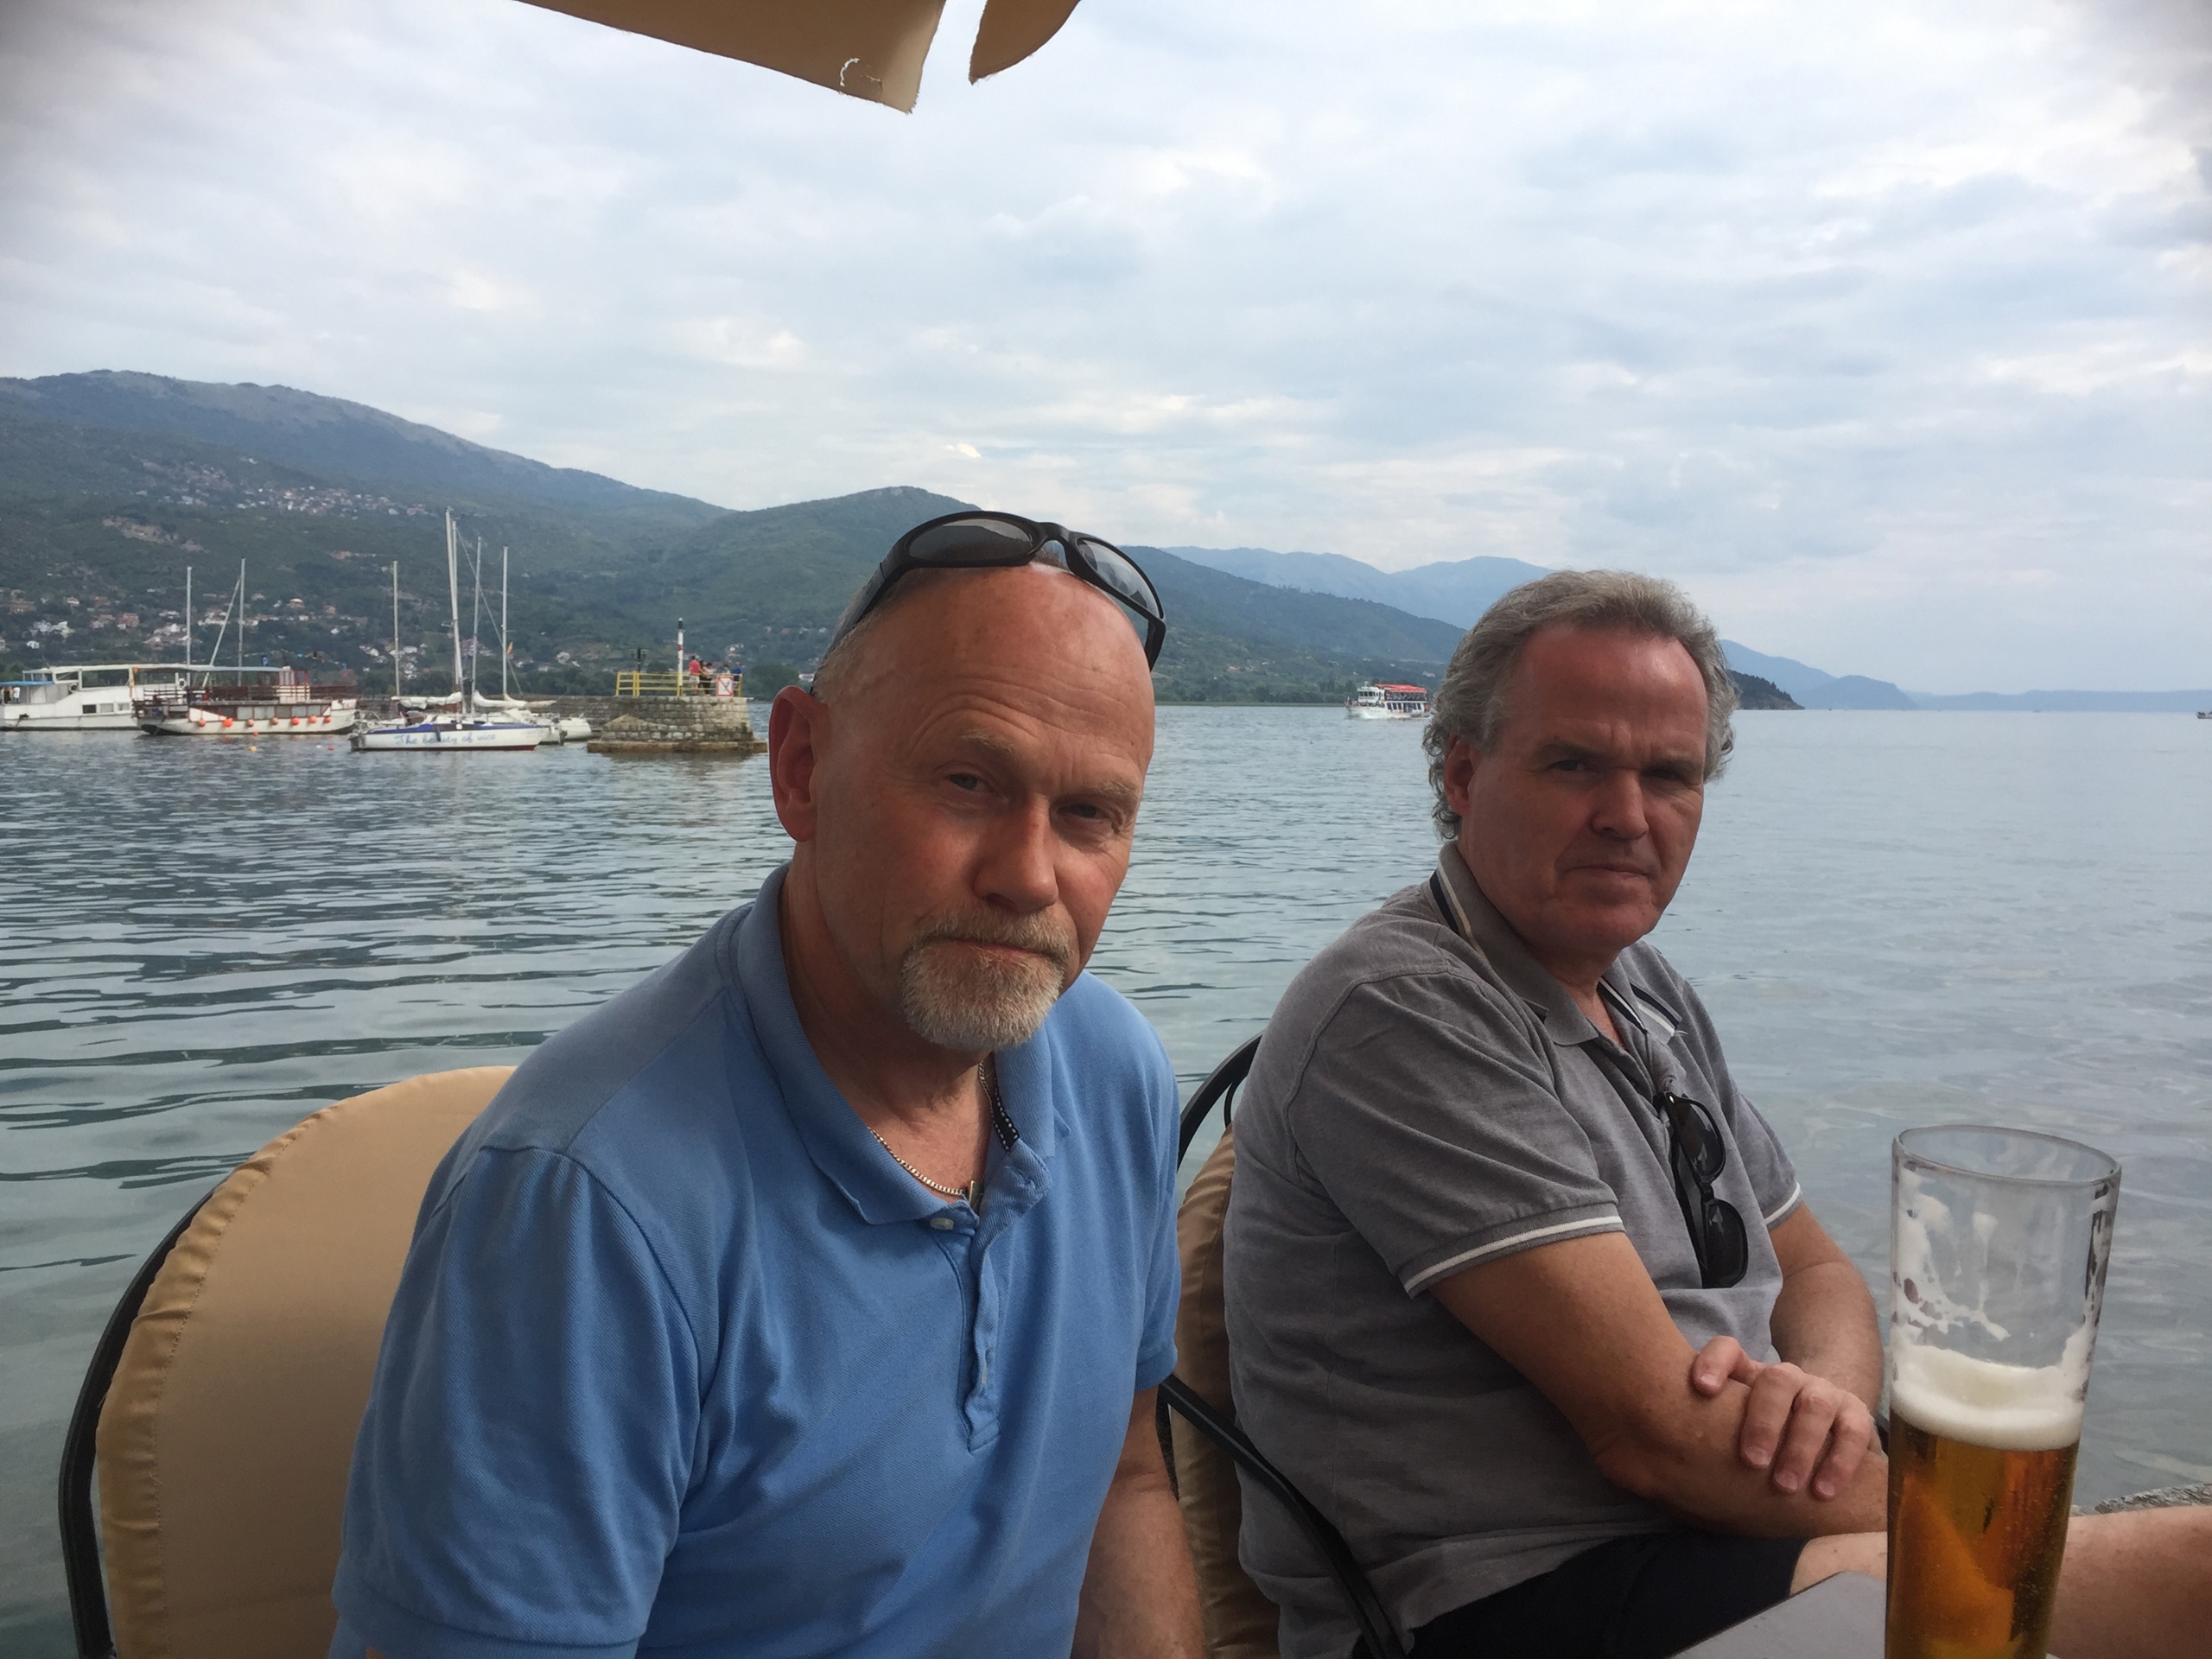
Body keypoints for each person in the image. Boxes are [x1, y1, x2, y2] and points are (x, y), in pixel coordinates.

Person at [1221, 570, 2209, 1659]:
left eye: (1669, 775)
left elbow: (1816, 1271)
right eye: (1574, 764)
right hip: (1510, 1600)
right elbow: (1656, 1440)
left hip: (1720, 1532)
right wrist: (1985, 1526)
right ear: (1463, 773)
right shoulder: (1402, 1009)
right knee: (2186, 1578)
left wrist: (1823, 1402)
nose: (1626, 816)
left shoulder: (1644, 990)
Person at [331, 511, 1203, 1659]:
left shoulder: (1115, 1075)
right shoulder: (587, 1205)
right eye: (967, 782)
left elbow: (1125, 1480)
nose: (1028, 876)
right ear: (800, 769)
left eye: (1089, 814)